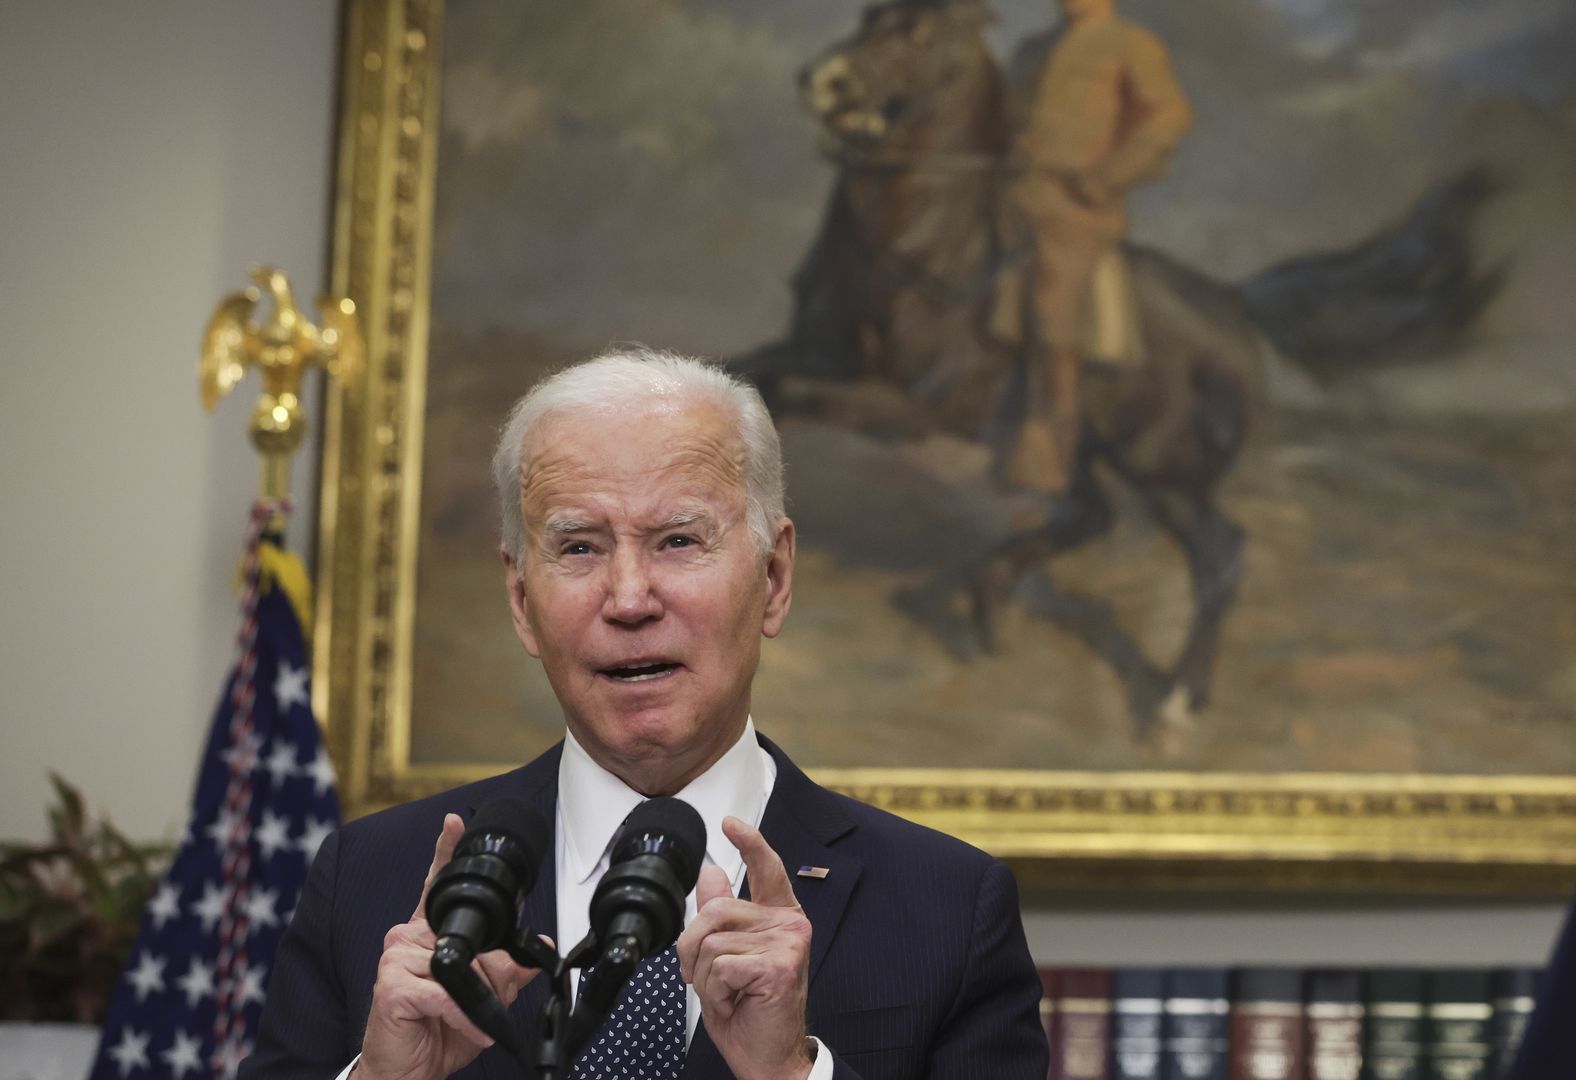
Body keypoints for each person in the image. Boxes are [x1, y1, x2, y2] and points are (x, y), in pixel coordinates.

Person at [240, 349, 1049, 1079]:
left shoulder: (946, 906)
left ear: (773, 578)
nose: (629, 599)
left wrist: (790, 1079)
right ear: (522, 603)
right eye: (580, 548)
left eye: (678, 541)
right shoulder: (369, 880)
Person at [993, 0, 1192, 494]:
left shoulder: (1129, 43)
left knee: (1052, 312)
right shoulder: (1031, 50)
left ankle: (1049, 458)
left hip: (1075, 210)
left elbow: (1168, 117)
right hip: (1011, 201)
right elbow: (1001, 120)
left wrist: (1110, 176)